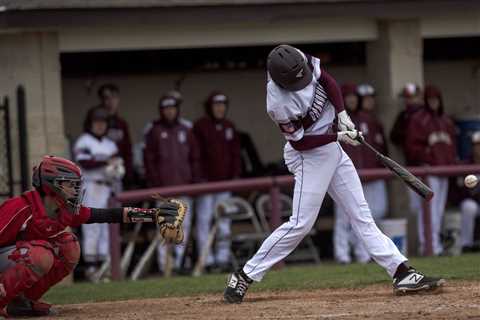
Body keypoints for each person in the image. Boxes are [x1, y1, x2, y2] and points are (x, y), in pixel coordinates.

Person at [223, 44, 445, 304]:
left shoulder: (296, 58)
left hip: (332, 149)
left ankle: (401, 272)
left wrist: (342, 114)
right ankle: (244, 275)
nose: (303, 82)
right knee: (300, 224)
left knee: (362, 216)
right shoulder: (277, 103)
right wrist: (338, 135)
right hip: (309, 156)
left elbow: (326, 79)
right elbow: (300, 142)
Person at [0, 156, 185, 317]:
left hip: (13, 258)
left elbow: (109, 214)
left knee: (68, 246)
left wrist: (153, 214)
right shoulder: (20, 207)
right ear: (51, 185)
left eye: (76, 185)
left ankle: (21, 302)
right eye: (69, 184)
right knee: (41, 256)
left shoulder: (64, 209)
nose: (75, 189)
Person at [144, 92, 201, 272]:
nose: (170, 112)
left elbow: (195, 158)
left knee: (183, 227)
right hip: (164, 192)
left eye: (172, 108)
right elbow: (149, 161)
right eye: (166, 109)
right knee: (165, 228)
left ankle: (180, 265)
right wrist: (156, 184)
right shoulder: (154, 131)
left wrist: (193, 182)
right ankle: (165, 267)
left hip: (184, 188)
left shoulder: (186, 129)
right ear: (161, 111)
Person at [405, 85, 457, 255]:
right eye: (431, 99)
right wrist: (425, 159)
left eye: (436, 99)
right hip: (428, 174)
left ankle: (435, 245)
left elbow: (451, 147)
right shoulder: (419, 119)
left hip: (443, 172)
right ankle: (427, 245)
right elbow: (411, 147)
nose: (434, 103)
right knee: (428, 212)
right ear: (426, 100)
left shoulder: (446, 120)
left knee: (439, 212)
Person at [193, 91, 241, 271]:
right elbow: (195, 155)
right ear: (209, 107)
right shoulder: (200, 126)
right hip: (205, 184)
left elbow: (236, 155)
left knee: (224, 222)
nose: (220, 109)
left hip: (224, 184)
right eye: (216, 105)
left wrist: (235, 176)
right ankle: (206, 259)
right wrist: (199, 178)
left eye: (223, 105)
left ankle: (222, 257)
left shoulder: (229, 126)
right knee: (204, 220)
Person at [74, 107, 122, 281]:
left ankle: (105, 267)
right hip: (91, 186)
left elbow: (119, 164)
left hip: (108, 187)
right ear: (90, 123)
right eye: (97, 122)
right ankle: (91, 268)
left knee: (107, 227)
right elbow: (84, 162)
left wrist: (115, 168)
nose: (100, 126)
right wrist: (106, 161)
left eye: (103, 122)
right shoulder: (84, 141)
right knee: (92, 226)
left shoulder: (110, 144)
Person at [333, 83, 370, 264]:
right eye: (348, 97)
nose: (352, 100)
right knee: (343, 217)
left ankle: (363, 254)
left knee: (363, 215)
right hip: (342, 175)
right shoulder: (335, 121)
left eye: (354, 97)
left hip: (366, 177)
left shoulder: (366, 119)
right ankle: (342, 254)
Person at [87, 83, 134, 188]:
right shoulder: (94, 122)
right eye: (107, 98)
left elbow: (128, 151)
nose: (110, 102)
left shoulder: (122, 124)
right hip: (98, 176)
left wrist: (129, 174)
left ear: (118, 99)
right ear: (102, 100)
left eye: (114, 97)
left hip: (118, 175)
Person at [390, 83, 424, 153]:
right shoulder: (403, 116)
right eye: (406, 97)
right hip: (410, 154)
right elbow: (394, 137)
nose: (408, 100)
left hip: (427, 155)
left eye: (412, 97)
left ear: (419, 97)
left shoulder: (426, 114)